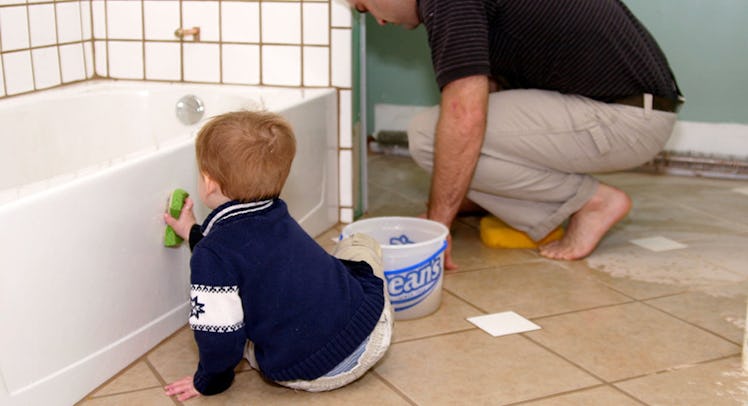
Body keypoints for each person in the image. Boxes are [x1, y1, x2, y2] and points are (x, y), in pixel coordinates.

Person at [348, 0, 683, 266]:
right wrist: (469, 194)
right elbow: (489, 92)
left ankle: (593, 202)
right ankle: (498, 201)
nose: (377, 20)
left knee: (427, 135)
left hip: (627, 119)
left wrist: (437, 228)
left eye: (364, 5)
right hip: (631, 110)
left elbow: (465, 114)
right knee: (452, 135)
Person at [162, 111, 392, 401]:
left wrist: (210, 380)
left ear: (208, 182)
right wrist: (192, 231)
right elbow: (241, 251)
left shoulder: (213, 255)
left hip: (314, 372)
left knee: (239, 330)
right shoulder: (276, 213)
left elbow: (217, 335)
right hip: (371, 333)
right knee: (360, 246)